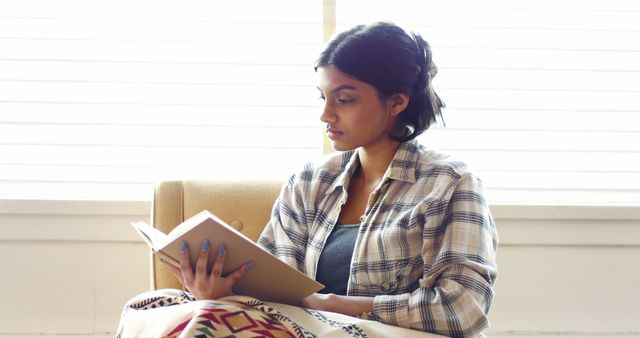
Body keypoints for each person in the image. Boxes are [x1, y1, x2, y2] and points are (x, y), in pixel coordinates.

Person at [163, 22, 498, 338]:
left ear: (397, 101)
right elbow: (272, 293)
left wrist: (335, 306)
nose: (326, 115)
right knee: (155, 307)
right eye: (323, 97)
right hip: (303, 331)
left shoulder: (450, 183)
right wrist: (220, 295)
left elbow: (463, 308)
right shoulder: (309, 182)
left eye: (345, 99)